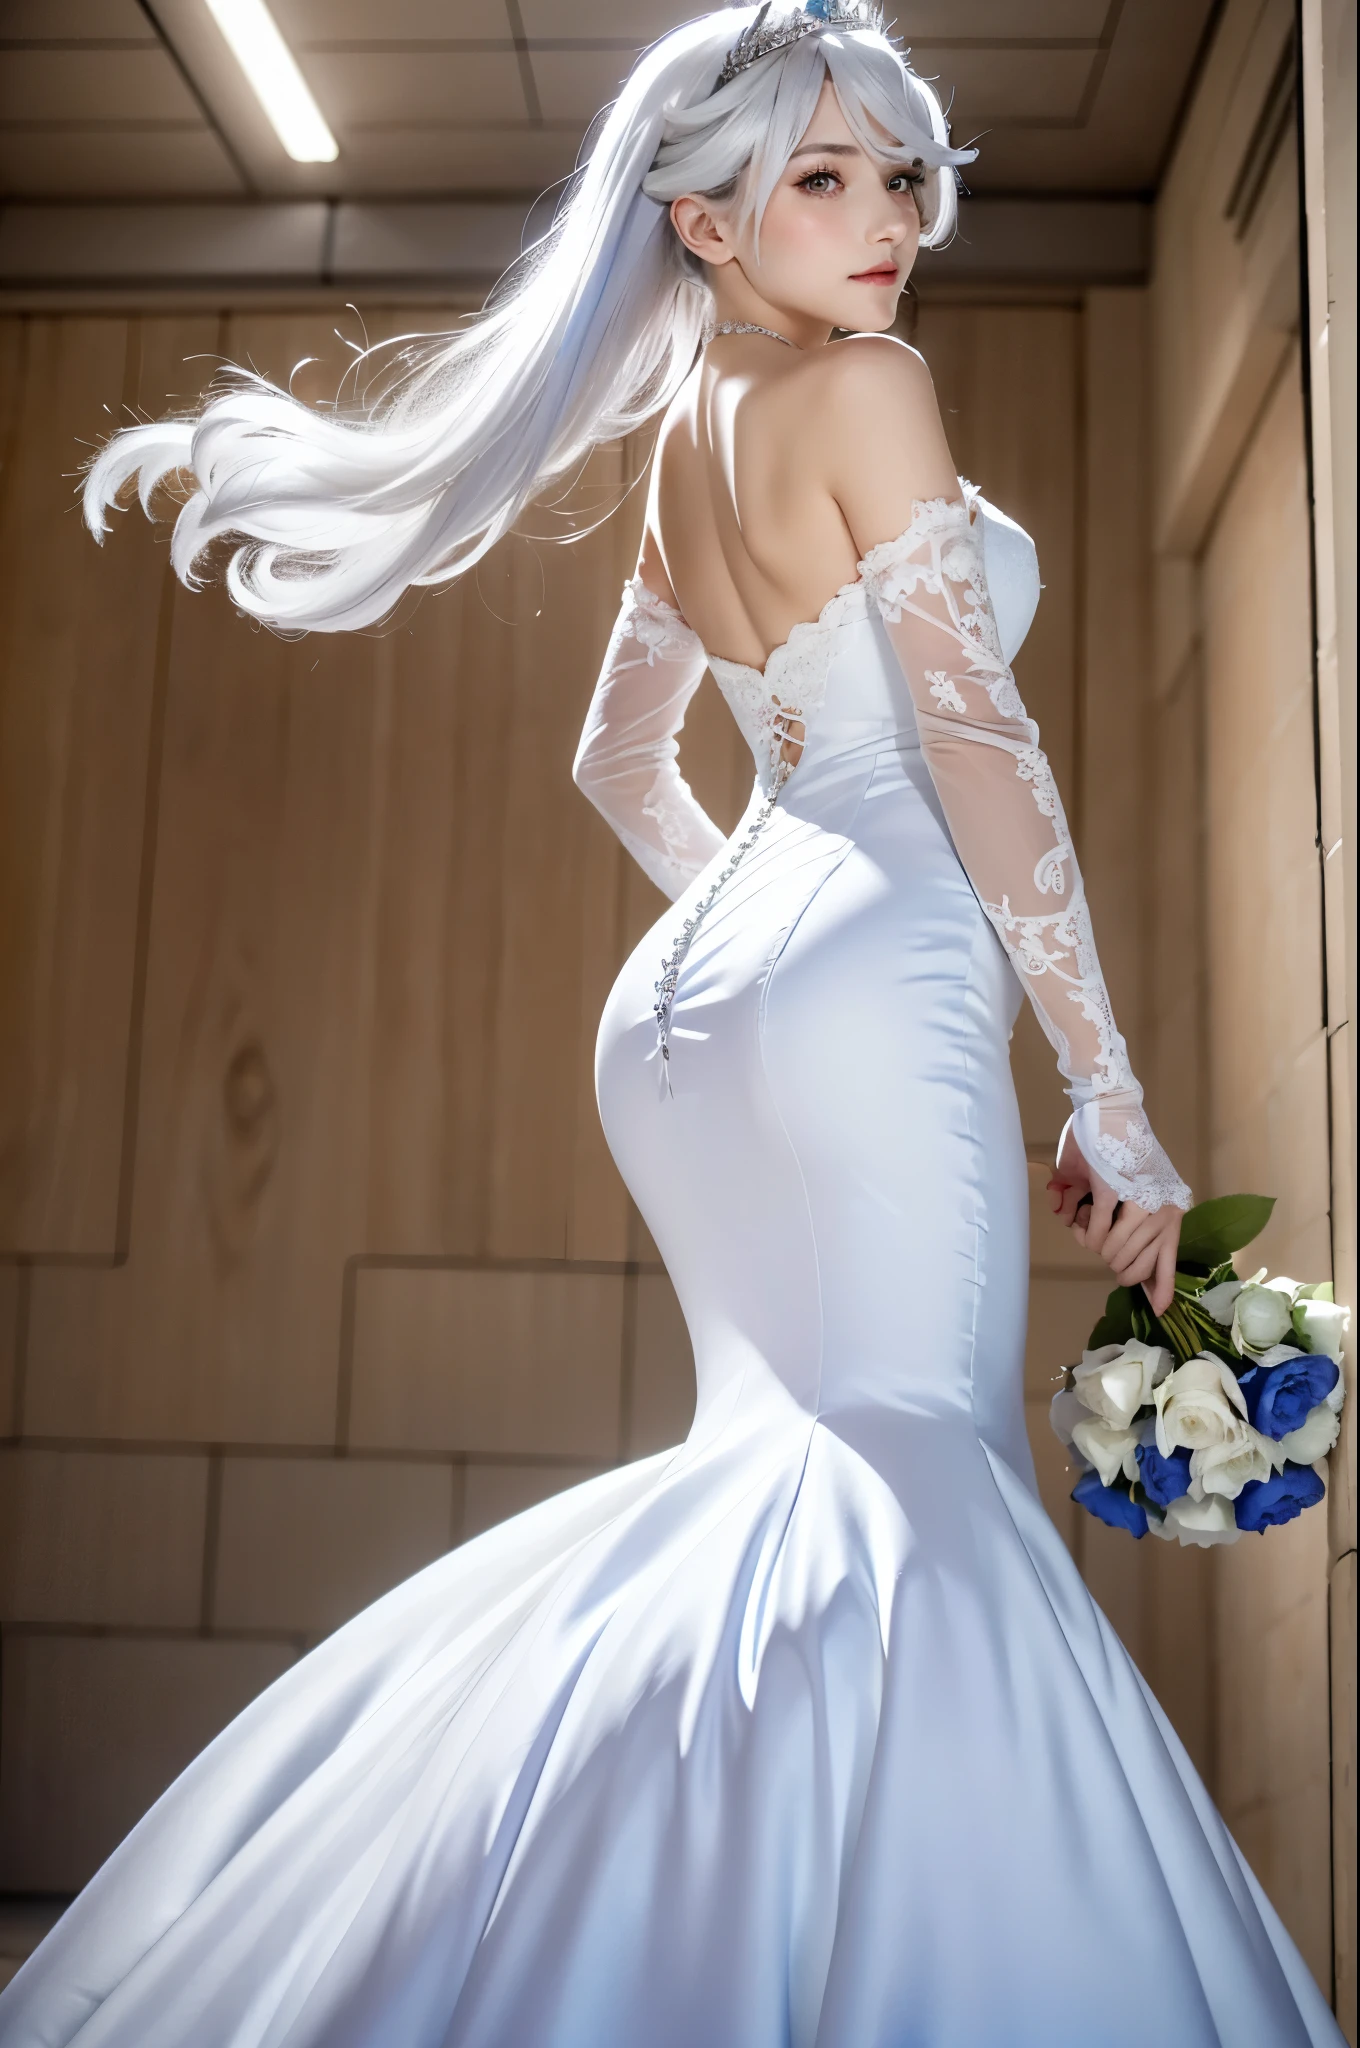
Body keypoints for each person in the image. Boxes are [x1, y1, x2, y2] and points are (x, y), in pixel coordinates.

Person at [0, 6, 1343, 2045]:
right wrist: (1109, 1091)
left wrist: (757, 945)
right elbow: (976, 740)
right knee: (908, 1485)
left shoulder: (682, 446)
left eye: (897, 173)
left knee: (783, 1481)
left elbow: (620, 766)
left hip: (695, 998)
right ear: (701, 224)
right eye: (820, 177)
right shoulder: (868, 390)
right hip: (864, 941)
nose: (883, 217)